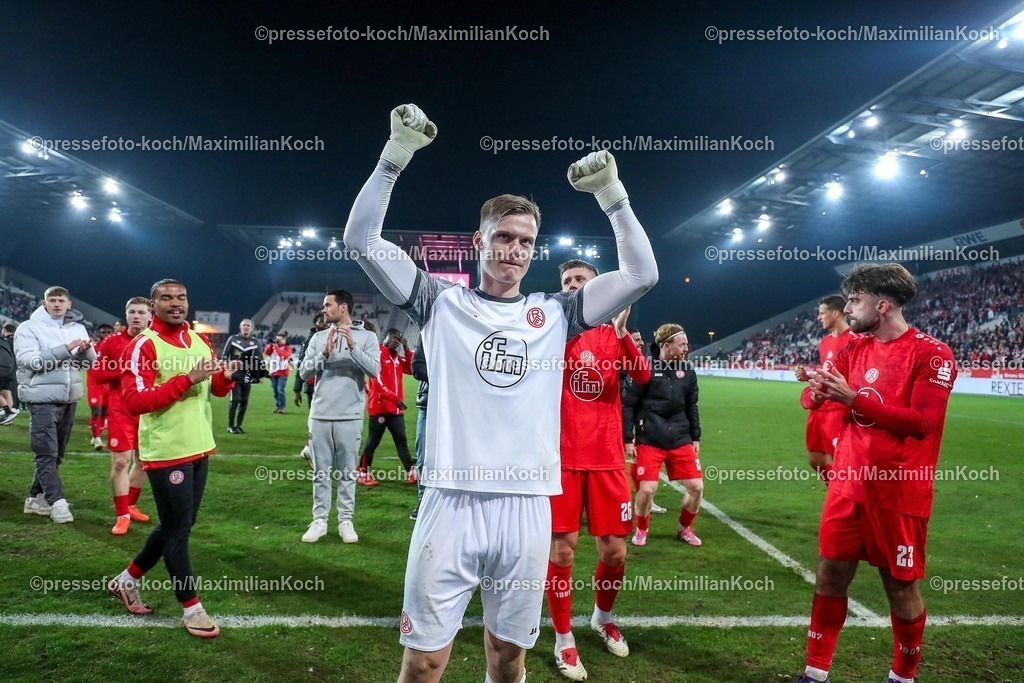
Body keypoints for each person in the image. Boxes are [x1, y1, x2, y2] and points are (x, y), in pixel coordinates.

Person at [343, 104, 657, 683]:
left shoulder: (556, 313)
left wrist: (613, 197)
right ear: (479, 240)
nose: (514, 249)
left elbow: (641, 275)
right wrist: (394, 158)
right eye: (504, 237)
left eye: (525, 241)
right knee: (424, 661)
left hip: (526, 506)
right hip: (450, 501)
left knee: (508, 657)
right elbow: (361, 240)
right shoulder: (439, 302)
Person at [795, 264, 957, 683]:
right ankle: (815, 672)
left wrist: (853, 399)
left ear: (882, 305)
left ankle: (902, 676)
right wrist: (816, 393)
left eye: (855, 300)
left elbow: (922, 422)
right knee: (830, 573)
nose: (848, 308)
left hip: (899, 492)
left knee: (899, 586)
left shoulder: (932, 353)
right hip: (847, 485)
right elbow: (812, 400)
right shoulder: (853, 348)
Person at [106, 278, 240, 638]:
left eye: (181, 297)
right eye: (166, 298)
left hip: (199, 446)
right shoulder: (143, 345)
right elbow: (134, 401)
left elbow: (213, 388)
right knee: (178, 533)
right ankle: (191, 608)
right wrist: (186, 379)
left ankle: (126, 580)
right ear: (154, 305)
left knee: (176, 525)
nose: (175, 303)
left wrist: (225, 378)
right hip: (166, 452)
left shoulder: (199, 340)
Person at [546, 260, 651, 681]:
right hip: (563, 460)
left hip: (607, 461)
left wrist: (623, 334)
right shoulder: (551, 332)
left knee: (615, 552)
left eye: (581, 280)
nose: (573, 285)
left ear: (598, 288)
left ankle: (602, 617)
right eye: (567, 281)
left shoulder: (613, 334)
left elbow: (642, 375)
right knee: (562, 552)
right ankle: (562, 638)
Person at [297, 289, 380, 544]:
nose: (324, 309)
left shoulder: (367, 337)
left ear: (343, 307)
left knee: (347, 473)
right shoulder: (318, 337)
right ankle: (319, 521)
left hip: (350, 414)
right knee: (321, 473)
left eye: (328, 305)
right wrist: (324, 353)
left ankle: (345, 521)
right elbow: (303, 373)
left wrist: (353, 347)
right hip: (320, 413)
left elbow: (374, 371)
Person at [15, 286, 97, 523]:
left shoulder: (77, 327)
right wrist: (66, 349)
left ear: (69, 303)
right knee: (46, 453)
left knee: (57, 454)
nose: (57, 304)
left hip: (69, 397)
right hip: (41, 398)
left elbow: (88, 364)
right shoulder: (28, 327)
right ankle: (57, 503)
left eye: (61, 300)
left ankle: (34, 498)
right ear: (44, 303)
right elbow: (30, 361)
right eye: (53, 300)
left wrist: (85, 352)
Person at [622, 324, 702, 547]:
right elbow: (628, 404)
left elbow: (692, 405)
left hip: (680, 436)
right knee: (647, 489)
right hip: (650, 437)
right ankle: (642, 529)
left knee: (696, 487)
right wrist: (628, 438)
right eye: (682, 344)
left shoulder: (687, 371)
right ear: (667, 346)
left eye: (686, 344)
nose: (686, 348)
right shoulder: (644, 368)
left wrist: (696, 436)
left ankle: (685, 528)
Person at [92, 296, 154, 535]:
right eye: (132, 312)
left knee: (144, 462)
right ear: (126, 315)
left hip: (149, 409)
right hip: (121, 409)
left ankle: (130, 506)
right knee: (120, 462)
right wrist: (126, 370)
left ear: (150, 316)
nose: (136, 316)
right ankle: (122, 515)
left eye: (141, 312)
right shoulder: (112, 341)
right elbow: (98, 374)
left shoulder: (156, 341)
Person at [794, 295, 853, 482]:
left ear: (835, 313)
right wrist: (809, 377)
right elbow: (828, 372)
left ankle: (842, 494)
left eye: (822, 313)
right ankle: (836, 489)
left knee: (841, 461)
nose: (818, 318)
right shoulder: (825, 342)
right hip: (819, 407)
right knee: (815, 460)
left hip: (838, 409)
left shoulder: (854, 341)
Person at [358, 327, 416, 486]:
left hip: (396, 410)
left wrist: (407, 350)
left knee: (402, 441)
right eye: (394, 338)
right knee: (372, 442)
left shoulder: (396, 358)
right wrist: (394, 398)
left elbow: (410, 369)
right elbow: (376, 382)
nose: (396, 341)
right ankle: (362, 473)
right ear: (385, 337)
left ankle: (411, 472)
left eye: (399, 339)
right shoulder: (377, 354)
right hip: (380, 408)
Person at [623, 328, 666, 515]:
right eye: (636, 339)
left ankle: (644, 498)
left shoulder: (642, 362)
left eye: (640, 339)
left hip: (634, 417)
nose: (641, 343)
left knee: (637, 456)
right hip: (616, 415)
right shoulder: (619, 360)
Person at [222, 318, 262, 433]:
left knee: (244, 401)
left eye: (248, 325)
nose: (246, 327)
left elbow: (259, 359)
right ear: (240, 327)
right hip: (234, 375)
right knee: (235, 400)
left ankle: (239, 425)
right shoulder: (233, 339)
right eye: (244, 325)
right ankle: (230, 426)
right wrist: (227, 369)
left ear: (252, 328)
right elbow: (224, 356)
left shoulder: (255, 342)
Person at [86, 322, 115, 449]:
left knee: (105, 411)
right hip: (95, 385)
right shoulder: (92, 348)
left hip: (108, 385)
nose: (106, 334)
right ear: (98, 333)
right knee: (96, 411)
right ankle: (97, 438)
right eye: (103, 332)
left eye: (109, 332)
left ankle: (96, 435)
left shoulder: (114, 348)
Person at [409, 343, 428, 521]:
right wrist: (446, 375)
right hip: (428, 406)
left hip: (457, 407)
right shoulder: (430, 332)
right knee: (423, 459)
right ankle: (423, 502)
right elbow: (417, 367)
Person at [294, 312, 327, 410]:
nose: (325, 324)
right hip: (313, 384)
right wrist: (297, 390)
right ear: (315, 325)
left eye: (326, 321)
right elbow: (301, 365)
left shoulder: (333, 338)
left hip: (329, 384)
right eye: (321, 322)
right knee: (316, 414)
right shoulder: (309, 342)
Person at [265, 331, 293, 413]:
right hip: (273, 371)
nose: (278, 342)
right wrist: (271, 344)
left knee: (280, 389)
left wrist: (276, 347)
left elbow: (284, 356)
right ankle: (278, 406)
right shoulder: (274, 346)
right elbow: (266, 352)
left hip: (283, 371)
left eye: (279, 340)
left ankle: (282, 407)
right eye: (277, 340)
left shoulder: (287, 348)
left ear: (284, 339)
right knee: (275, 391)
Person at [0, 322, 19, 425]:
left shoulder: (7, 339)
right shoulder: (8, 340)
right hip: (11, 367)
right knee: (6, 392)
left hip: (1, 366)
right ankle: (8, 417)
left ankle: (7, 411)